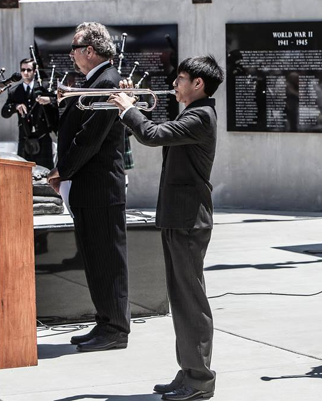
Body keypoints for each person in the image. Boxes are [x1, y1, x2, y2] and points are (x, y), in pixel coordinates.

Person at [108, 55, 224, 401]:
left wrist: (130, 110)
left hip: (189, 219)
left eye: (181, 79)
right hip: (180, 216)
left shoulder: (201, 116)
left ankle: (200, 378)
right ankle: (189, 369)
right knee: (181, 298)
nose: (174, 84)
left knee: (191, 301)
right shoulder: (192, 114)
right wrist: (130, 105)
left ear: (198, 84)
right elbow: (158, 132)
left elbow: (151, 135)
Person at [47, 22, 130, 352]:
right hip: (89, 188)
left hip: (100, 189)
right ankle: (105, 321)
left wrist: (60, 171)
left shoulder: (107, 82)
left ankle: (115, 329)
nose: (71, 54)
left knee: (108, 260)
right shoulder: (94, 81)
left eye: (74, 48)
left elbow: (90, 140)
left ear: (90, 51)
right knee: (95, 258)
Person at [1, 58, 57, 169]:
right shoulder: (15, 91)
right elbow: (4, 113)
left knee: (46, 177)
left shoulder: (43, 88)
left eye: (29, 70)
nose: (25, 73)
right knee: (23, 176)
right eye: (23, 70)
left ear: (35, 71)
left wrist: (49, 100)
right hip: (24, 139)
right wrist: (15, 106)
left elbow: (61, 103)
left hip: (43, 139)